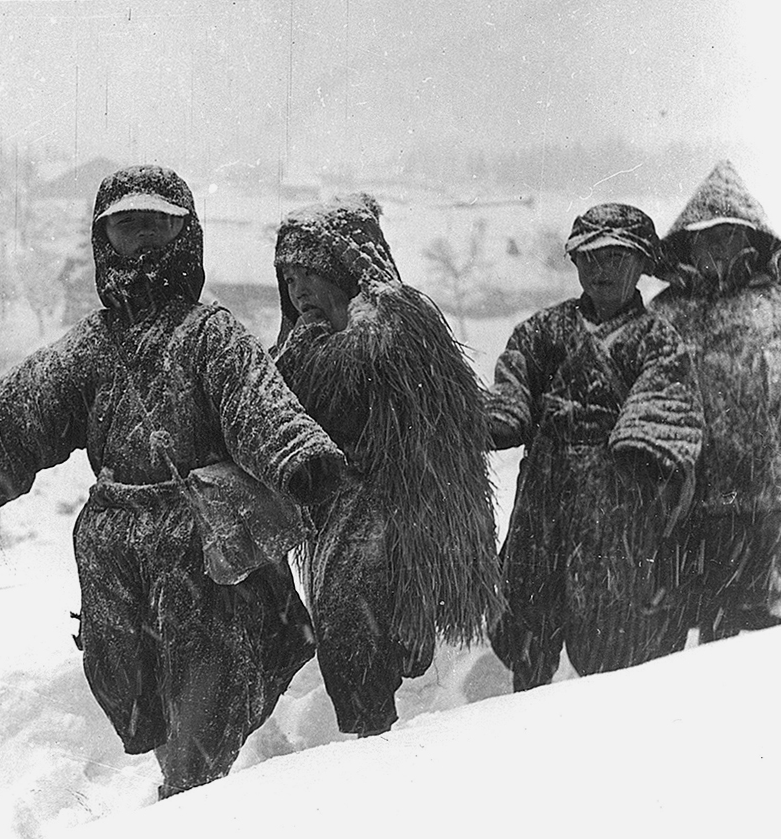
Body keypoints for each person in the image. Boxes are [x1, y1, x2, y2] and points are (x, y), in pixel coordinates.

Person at [0, 165, 346, 798]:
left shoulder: (213, 335)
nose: (145, 247)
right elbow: (30, 408)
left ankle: (193, 799)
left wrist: (300, 457)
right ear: (105, 243)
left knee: (206, 689)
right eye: (128, 231)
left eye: (158, 228)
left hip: (199, 546)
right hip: (114, 552)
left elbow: (258, 403)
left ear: (186, 236)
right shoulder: (90, 348)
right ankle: (180, 779)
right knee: (134, 692)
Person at [272, 193, 503, 737]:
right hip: (337, 521)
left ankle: (375, 752)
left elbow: (441, 421)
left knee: (364, 644)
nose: (298, 288)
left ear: (346, 270)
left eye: (311, 271)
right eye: (289, 276)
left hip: (393, 521)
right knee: (347, 647)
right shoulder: (298, 352)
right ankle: (370, 743)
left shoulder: (394, 327)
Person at [487, 202, 704, 691]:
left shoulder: (659, 342)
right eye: (590, 256)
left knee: (613, 633)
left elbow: (663, 421)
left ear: (643, 264)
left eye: (617, 257)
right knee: (527, 619)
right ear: (575, 262)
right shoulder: (541, 332)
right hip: (542, 498)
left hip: (617, 505)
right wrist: (487, 421)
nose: (601, 269)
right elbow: (511, 396)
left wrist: (628, 455)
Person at [650, 160, 781, 643]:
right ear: (689, 242)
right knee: (683, 642)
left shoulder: (776, 306)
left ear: (751, 240)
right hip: (689, 507)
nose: (720, 245)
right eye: (709, 235)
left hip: (769, 506)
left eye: (731, 234)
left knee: (759, 644)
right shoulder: (666, 314)